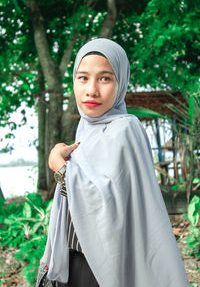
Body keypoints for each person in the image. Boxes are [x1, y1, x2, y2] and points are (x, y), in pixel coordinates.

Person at [38, 38, 190, 287]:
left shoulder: (125, 129)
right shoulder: (85, 129)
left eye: (105, 78)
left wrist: (61, 168)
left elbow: (107, 204)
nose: (92, 90)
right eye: (83, 78)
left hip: (101, 266)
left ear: (121, 82)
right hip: (73, 260)